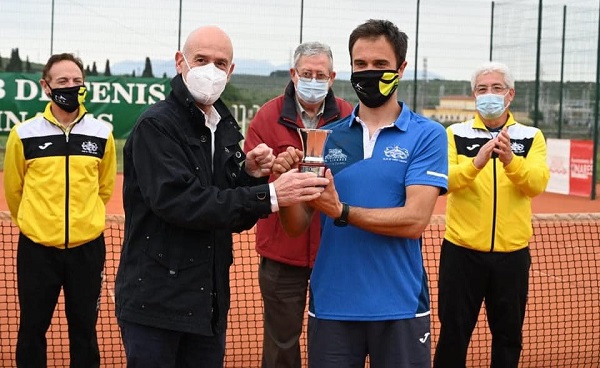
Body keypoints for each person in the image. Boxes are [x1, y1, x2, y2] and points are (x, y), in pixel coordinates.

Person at [114, 25, 329, 368]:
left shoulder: (222, 126)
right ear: (180, 62)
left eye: (220, 63)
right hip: (155, 304)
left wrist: (248, 175)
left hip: (207, 303)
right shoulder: (157, 125)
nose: (210, 70)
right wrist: (271, 193)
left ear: (230, 72)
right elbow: (182, 203)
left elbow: (223, 205)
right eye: (201, 59)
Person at [277, 19, 448, 367]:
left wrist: (342, 211)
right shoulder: (329, 136)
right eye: (361, 65)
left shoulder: (427, 135)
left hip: (400, 306)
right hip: (333, 304)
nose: (369, 73)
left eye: (380, 65)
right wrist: (285, 188)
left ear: (400, 68)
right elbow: (297, 225)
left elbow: (414, 220)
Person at [433, 61, 550, 367]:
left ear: (510, 95)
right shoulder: (454, 133)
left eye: (497, 88)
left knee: (508, 337)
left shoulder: (531, 136)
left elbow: (536, 184)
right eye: (482, 89)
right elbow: (445, 180)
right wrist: (476, 163)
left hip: (512, 255)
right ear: (474, 95)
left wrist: (511, 160)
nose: (489, 94)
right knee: (453, 335)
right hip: (461, 253)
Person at [244, 41, 353, 368]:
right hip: (281, 254)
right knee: (281, 345)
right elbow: (250, 180)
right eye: (307, 73)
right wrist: (274, 170)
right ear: (293, 74)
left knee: (336, 341)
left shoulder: (349, 117)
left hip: (334, 253)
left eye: (321, 74)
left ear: (332, 77)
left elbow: (356, 176)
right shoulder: (267, 116)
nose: (314, 80)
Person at [3, 53, 117, 367]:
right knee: (32, 329)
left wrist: (82, 221)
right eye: (62, 81)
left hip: (87, 251)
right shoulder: (23, 135)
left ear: (84, 86)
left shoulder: (101, 133)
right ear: (46, 86)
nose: (70, 87)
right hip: (37, 252)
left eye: (77, 82)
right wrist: (36, 225)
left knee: (84, 331)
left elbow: (104, 187)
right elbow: (15, 190)